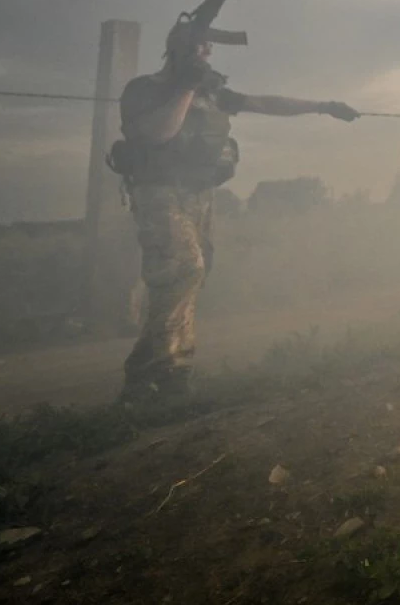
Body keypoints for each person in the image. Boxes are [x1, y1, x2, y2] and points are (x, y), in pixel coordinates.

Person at [113, 21, 358, 401]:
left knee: (194, 274)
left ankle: (174, 372)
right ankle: (147, 374)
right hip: (158, 192)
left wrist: (323, 107)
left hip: (199, 194)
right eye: (200, 48)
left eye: (209, 48)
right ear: (179, 50)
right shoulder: (146, 90)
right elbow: (159, 132)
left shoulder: (213, 94)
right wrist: (187, 87)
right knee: (183, 268)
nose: (208, 54)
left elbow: (264, 103)